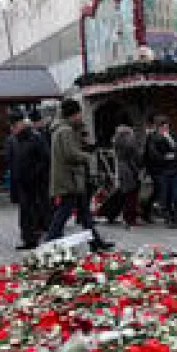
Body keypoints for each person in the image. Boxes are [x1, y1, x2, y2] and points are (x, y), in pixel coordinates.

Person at [46, 99, 112, 250]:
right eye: (79, 113)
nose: (81, 116)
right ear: (73, 114)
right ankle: (50, 241)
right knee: (64, 212)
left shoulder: (64, 129)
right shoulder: (65, 131)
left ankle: (95, 242)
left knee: (83, 212)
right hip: (69, 178)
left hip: (72, 178)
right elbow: (70, 154)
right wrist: (87, 156)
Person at [10, 114, 50, 250]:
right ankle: (28, 239)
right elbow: (14, 161)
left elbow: (45, 159)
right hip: (21, 183)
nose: (14, 129)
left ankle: (36, 237)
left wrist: (34, 174)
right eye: (12, 127)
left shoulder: (36, 138)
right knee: (25, 212)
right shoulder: (15, 140)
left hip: (35, 183)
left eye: (16, 125)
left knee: (35, 211)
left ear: (22, 124)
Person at [143, 116, 177, 228]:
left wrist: (171, 142)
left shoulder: (173, 136)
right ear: (158, 127)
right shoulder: (152, 137)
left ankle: (176, 217)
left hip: (174, 169)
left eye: (167, 126)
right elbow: (152, 154)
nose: (165, 128)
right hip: (160, 170)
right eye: (162, 126)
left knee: (175, 194)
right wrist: (165, 157)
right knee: (163, 194)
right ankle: (167, 216)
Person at [113, 124, 142, 228]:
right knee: (132, 195)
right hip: (130, 169)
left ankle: (127, 217)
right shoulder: (129, 141)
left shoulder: (117, 141)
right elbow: (136, 155)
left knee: (127, 195)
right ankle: (131, 218)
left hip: (122, 169)